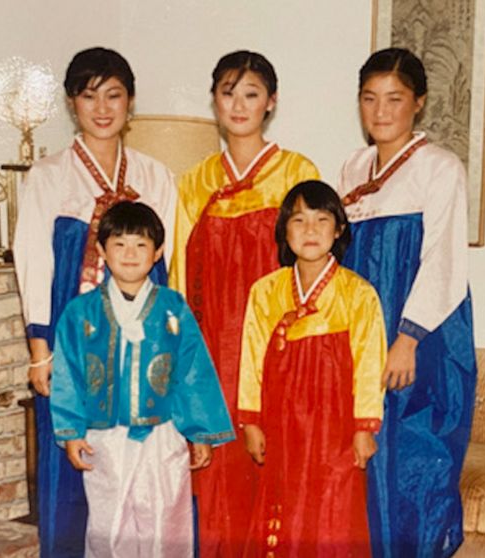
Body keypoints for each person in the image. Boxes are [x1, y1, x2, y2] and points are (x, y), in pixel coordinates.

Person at [12, 47, 177, 558]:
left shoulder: (154, 177)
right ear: (71, 103)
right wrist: (41, 351)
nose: (102, 108)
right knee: (74, 460)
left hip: (141, 347)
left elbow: (167, 269)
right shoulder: (49, 176)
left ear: (130, 102)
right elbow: (34, 264)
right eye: (89, 96)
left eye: (113, 95)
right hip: (72, 341)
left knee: (141, 470)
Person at [169, 50, 320, 558]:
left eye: (251, 94)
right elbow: (180, 282)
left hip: (278, 353)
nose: (238, 105)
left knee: (280, 478)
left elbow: (316, 270)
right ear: (214, 100)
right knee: (217, 485)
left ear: (270, 103)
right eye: (228, 92)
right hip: (213, 356)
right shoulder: (192, 183)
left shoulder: (296, 173)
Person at [336, 48, 477, 558]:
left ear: (418, 102)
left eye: (394, 99)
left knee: (412, 463)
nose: (381, 112)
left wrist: (407, 339)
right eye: (370, 99)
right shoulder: (353, 167)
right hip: (363, 329)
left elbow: (442, 259)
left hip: (421, 334)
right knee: (361, 457)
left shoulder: (439, 168)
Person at [51, 201, 234, 558]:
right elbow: (67, 375)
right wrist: (71, 431)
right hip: (105, 436)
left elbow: (192, 372)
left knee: (166, 521)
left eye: (141, 244)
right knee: (109, 523)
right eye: (119, 244)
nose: (130, 254)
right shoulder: (80, 312)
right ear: (102, 250)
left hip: (162, 435)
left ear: (158, 252)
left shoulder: (173, 308)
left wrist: (199, 432)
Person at [238, 180, 386, 556]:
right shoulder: (265, 291)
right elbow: (251, 358)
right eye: (299, 220)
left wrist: (364, 428)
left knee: (332, 515)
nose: (310, 230)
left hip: (334, 429)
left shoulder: (358, 293)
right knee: (282, 507)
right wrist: (251, 421)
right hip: (281, 423)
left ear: (338, 230)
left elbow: (370, 365)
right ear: (284, 230)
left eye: (322, 220)